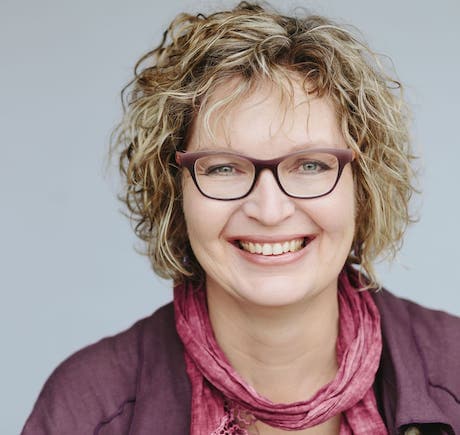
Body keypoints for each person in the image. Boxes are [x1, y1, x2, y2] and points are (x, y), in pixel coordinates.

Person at [22, 2, 459, 434]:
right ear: (175, 192)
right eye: (223, 167)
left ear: (363, 187)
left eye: (310, 165)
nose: (270, 211)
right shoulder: (88, 410)